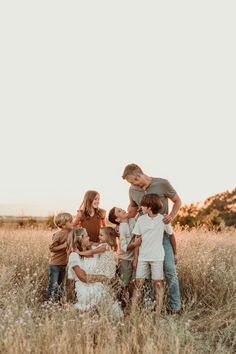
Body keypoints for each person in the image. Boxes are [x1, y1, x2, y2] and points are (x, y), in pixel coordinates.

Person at [122, 163, 181, 312]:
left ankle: (175, 307)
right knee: (144, 275)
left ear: (139, 175)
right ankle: (150, 305)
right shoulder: (132, 190)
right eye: (130, 183)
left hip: (162, 235)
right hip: (144, 237)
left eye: (132, 181)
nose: (132, 185)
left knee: (169, 270)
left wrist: (171, 217)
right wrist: (119, 222)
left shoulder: (162, 183)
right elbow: (134, 210)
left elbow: (177, 201)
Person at [67, 228, 123, 319]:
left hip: (99, 284)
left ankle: (104, 320)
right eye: (86, 236)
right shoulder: (74, 255)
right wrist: (103, 278)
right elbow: (83, 278)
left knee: (113, 309)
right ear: (80, 239)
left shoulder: (95, 249)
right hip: (84, 286)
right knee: (98, 299)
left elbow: (105, 253)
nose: (89, 238)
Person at [132, 194, 173, 315]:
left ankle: (158, 312)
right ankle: (133, 311)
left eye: (143, 205)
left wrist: (175, 254)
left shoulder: (163, 219)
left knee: (158, 283)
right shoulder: (141, 219)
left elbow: (171, 235)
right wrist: (136, 258)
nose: (141, 207)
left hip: (157, 257)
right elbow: (137, 239)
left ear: (149, 207)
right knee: (138, 283)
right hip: (143, 257)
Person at [108, 207, 142, 298]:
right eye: (119, 211)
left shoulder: (131, 220)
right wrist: (135, 244)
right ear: (117, 219)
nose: (122, 210)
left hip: (132, 257)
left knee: (133, 281)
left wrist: (139, 212)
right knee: (124, 283)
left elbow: (136, 222)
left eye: (121, 209)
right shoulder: (122, 228)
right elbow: (124, 248)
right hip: (124, 259)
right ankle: (120, 301)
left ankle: (130, 300)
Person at [48, 212, 74, 301]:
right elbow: (52, 248)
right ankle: (51, 302)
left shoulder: (71, 233)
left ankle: (58, 302)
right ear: (62, 225)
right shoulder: (58, 234)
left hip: (64, 263)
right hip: (55, 264)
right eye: (70, 222)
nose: (72, 223)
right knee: (53, 285)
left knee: (61, 285)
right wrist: (63, 246)